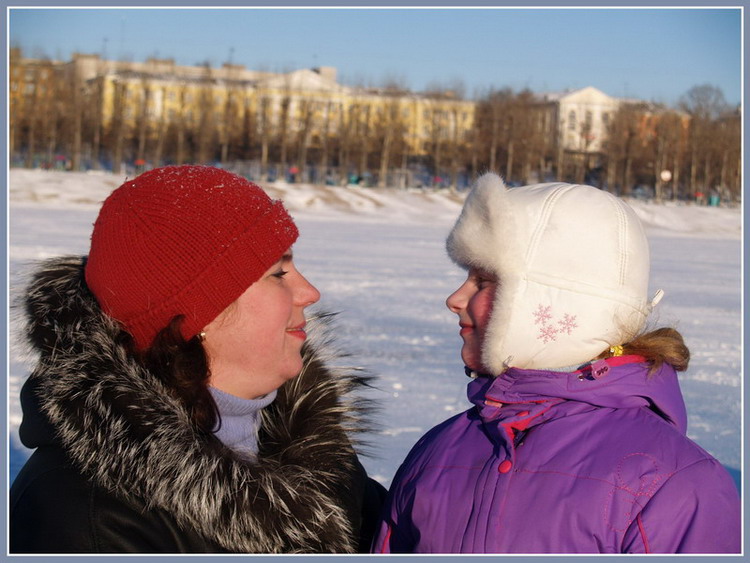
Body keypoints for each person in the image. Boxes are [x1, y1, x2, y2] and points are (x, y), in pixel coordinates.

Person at [10, 165, 386, 553]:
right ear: (198, 316)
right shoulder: (85, 517)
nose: (309, 292)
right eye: (278, 273)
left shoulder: (310, 446)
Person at [372, 173, 740, 554]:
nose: (455, 298)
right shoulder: (439, 450)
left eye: (483, 281)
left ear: (551, 301)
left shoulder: (676, 483)